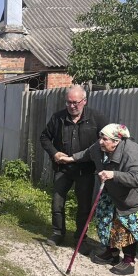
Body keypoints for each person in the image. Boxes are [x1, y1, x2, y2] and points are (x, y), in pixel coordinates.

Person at [60, 124, 138, 275]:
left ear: (116, 141)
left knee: (126, 225)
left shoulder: (131, 151)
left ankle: (129, 261)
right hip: (115, 189)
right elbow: (89, 153)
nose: (100, 142)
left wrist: (114, 174)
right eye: (100, 138)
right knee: (105, 218)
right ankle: (112, 253)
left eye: (105, 139)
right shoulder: (100, 147)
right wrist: (70, 158)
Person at [40, 85, 108, 248]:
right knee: (57, 202)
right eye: (68, 102)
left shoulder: (96, 118)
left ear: (84, 101)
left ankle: (80, 238)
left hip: (85, 170)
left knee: (84, 205)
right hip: (62, 169)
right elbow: (44, 138)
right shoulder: (58, 118)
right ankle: (58, 233)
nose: (71, 106)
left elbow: (108, 139)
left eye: (75, 102)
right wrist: (54, 153)